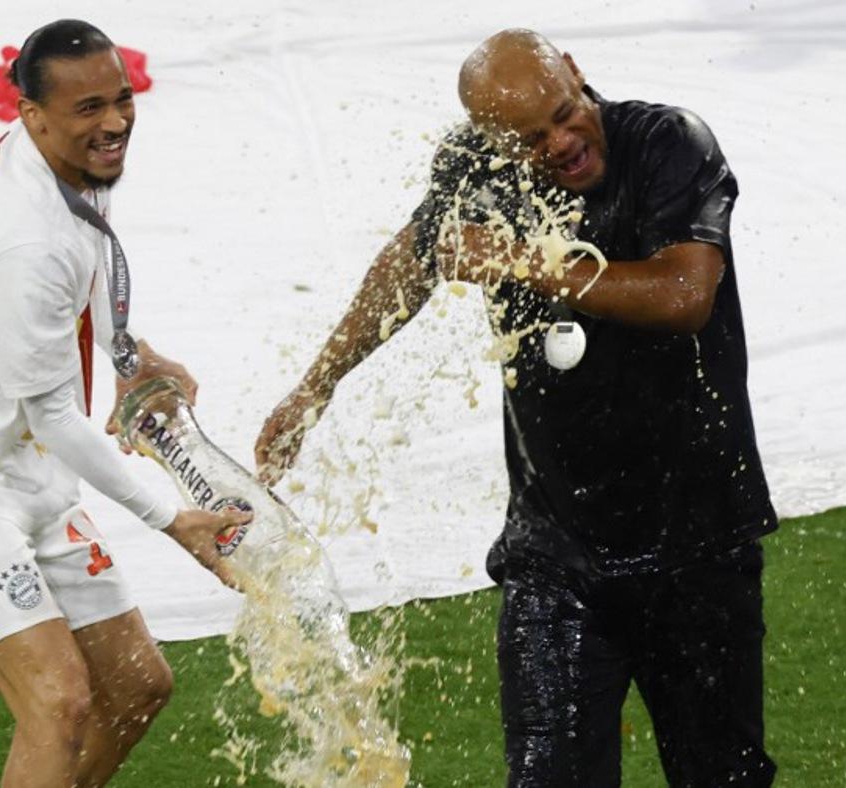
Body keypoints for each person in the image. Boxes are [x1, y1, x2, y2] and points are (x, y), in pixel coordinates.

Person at [255, 29, 777, 787]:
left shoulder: (667, 142)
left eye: (566, 114)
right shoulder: (475, 169)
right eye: (531, 140)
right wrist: (318, 383)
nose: (562, 143)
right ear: (490, 139)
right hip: (556, 554)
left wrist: (521, 259)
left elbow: (683, 295)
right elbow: (412, 258)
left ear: (575, 72)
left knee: (720, 777)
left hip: (697, 545)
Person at [0, 20, 248, 788]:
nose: (114, 124)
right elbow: (54, 417)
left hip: (24, 474)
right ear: (33, 114)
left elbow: (87, 255)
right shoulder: (22, 241)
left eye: (123, 99)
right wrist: (171, 520)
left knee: (138, 687)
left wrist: (129, 353)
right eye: (88, 109)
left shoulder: (51, 169)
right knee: (59, 701)